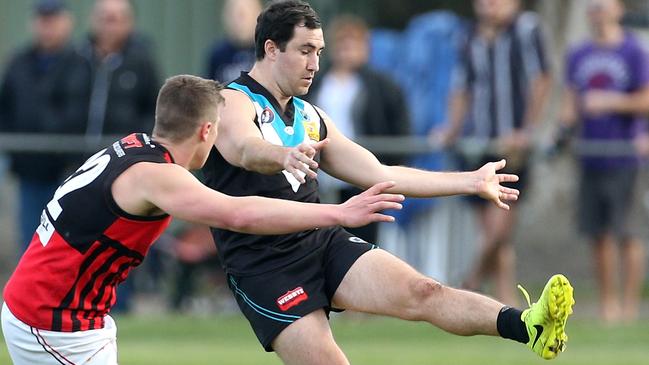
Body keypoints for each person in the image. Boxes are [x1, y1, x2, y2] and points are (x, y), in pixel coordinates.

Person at [202, 1, 573, 363]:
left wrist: (471, 181)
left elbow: (383, 174)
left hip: (318, 239)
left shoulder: (310, 116)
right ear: (271, 48)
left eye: (319, 51)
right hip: (264, 266)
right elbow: (243, 148)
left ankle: (529, 326)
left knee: (425, 291)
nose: (315, 64)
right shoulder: (232, 100)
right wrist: (282, 155)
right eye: (305, 51)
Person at [0, 74, 404, 365]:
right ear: (206, 130)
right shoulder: (156, 176)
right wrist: (339, 212)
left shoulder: (134, 147)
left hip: (67, 311)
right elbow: (240, 213)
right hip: (53, 320)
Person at [437, 0, 551, 304]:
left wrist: (525, 131)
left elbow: (540, 79)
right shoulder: (469, 36)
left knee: (499, 228)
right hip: (478, 144)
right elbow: (462, 87)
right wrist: (451, 128)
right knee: (492, 232)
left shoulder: (525, 29)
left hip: (511, 147)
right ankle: (504, 302)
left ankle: (469, 282)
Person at [559, 0, 648, 323]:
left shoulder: (634, 51)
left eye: (602, 5)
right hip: (590, 154)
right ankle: (608, 305)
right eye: (592, 6)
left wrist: (611, 101)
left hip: (626, 154)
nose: (597, 10)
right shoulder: (578, 54)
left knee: (628, 232)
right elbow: (570, 103)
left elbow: (645, 98)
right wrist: (562, 132)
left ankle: (629, 306)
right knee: (599, 234)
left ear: (619, 9)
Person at [306, 14, 411, 243]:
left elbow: (399, 126)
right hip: (321, 177)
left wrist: (384, 166)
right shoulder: (317, 81)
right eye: (341, 44)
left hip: (361, 176)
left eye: (353, 44)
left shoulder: (383, 85)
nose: (346, 51)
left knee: (362, 242)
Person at [0, 0, 89, 254]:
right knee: (30, 243)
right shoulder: (19, 62)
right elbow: (5, 107)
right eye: (42, 19)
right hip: (29, 170)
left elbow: (79, 113)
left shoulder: (81, 63)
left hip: (68, 171)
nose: (46, 27)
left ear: (67, 22)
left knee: (63, 245)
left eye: (53, 19)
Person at [79, 0, 160, 142]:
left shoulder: (142, 63)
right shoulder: (76, 58)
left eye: (115, 19)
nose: (109, 25)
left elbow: (153, 109)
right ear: (92, 19)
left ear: (129, 22)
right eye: (103, 18)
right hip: (75, 157)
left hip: (124, 156)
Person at [206, 0, 261, 83]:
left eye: (242, 15)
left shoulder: (267, 51)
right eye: (232, 15)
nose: (238, 22)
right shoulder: (218, 55)